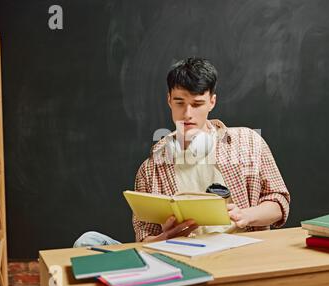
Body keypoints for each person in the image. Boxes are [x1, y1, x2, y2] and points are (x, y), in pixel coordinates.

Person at [73, 57, 290, 247]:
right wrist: (166, 237)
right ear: (169, 100)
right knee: (87, 241)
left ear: (212, 102)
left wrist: (246, 216)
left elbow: (279, 203)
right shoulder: (150, 169)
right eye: (179, 103)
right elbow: (144, 240)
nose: (187, 114)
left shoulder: (248, 142)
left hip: (240, 254)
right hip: (182, 257)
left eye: (197, 104)